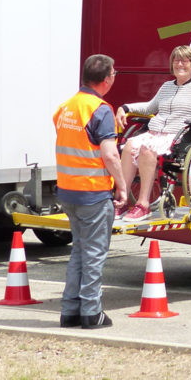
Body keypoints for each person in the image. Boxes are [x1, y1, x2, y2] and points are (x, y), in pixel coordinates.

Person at [115, 45, 191, 222]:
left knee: (147, 149)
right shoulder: (167, 86)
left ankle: (143, 204)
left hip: (179, 135)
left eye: (184, 60)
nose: (180, 64)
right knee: (129, 146)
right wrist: (125, 108)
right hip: (155, 131)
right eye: (176, 60)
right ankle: (121, 200)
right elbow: (149, 107)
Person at [54, 54, 128, 329]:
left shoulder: (67, 107)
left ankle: (70, 311)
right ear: (107, 79)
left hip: (68, 191)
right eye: (114, 74)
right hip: (93, 192)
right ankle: (91, 313)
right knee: (94, 254)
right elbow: (110, 155)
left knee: (79, 252)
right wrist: (121, 186)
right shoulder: (101, 109)